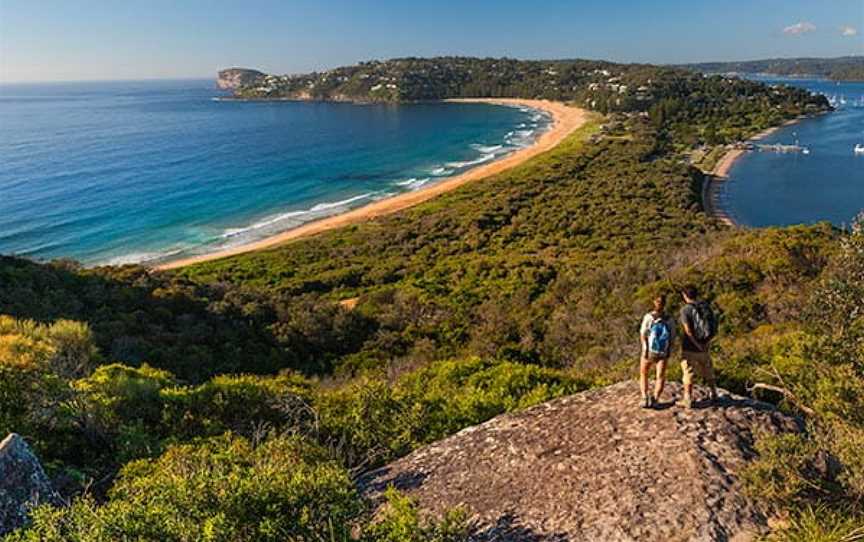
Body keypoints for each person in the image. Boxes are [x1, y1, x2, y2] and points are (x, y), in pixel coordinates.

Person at [678, 286, 718, 408]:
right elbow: (714, 327)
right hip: (705, 345)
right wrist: (705, 344)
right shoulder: (706, 307)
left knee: (688, 372)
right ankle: (714, 393)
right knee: (708, 369)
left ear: (685, 296)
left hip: (690, 347)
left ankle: (688, 398)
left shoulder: (685, 310)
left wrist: (696, 344)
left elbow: (688, 331)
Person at [639, 295, 675, 408]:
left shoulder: (649, 317)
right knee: (660, 376)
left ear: (654, 302)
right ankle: (655, 399)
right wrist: (668, 350)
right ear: (665, 304)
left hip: (649, 350)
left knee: (644, 373)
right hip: (663, 352)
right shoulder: (669, 318)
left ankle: (645, 397)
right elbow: (672, 336)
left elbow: (643, 334)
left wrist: (645, 349)